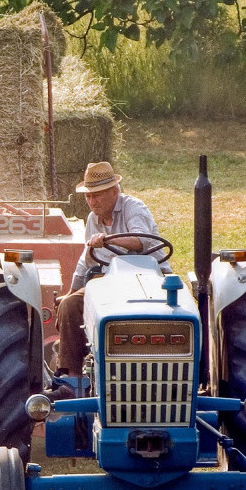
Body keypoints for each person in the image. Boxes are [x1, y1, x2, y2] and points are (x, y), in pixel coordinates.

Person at [55, 161, 172, 377]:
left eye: (97, 195)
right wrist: (71, 292)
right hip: (110, 282)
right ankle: (73, 378)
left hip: (149, 280)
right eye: (88, 196)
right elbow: (86, 259)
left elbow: (141, 241)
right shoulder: (93, 219)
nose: (92, 202)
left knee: (176, 313)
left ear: (114, 192)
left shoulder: (134, 208)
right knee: (69, 306)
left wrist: (108, 239)